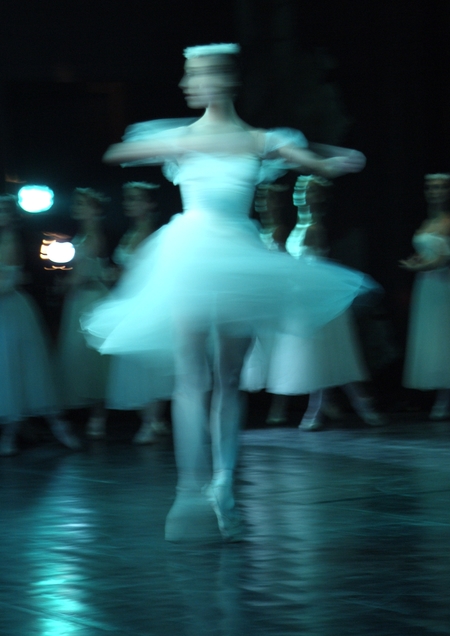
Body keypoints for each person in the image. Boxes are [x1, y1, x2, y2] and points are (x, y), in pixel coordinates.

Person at [83, 42, 375, 541]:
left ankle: (224, 485)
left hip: (238, 257)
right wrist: (174, 144)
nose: (185, 84)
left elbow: (313, 162)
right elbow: (117, 151)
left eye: (193, 75)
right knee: (193, 374)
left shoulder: (263, 138)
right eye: (186, 75)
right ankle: (189, 487)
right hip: (189, 255)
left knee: (228, 376)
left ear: (221, 79)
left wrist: (333, 156)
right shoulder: (179, 136)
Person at [261, 175, 384, 430]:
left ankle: (357, 406)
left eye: (310, 191)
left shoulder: (314, 228)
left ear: (319, 197)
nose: (304, 195)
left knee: (332, 355)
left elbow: (317, 269)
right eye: (302, 190)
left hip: (319, 302)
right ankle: (331, 408)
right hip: (307, 302)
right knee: (321, 357)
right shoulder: (301, 225)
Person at [0, 194, 80, 456]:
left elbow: (8, 283)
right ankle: (14, 434)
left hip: (11, 309)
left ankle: (55, 427)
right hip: (7, 309)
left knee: (20, 369)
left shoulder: (11, 241)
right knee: (10, 371)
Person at [105, 182, 171, 442]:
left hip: (146, 303)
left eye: (136, 199)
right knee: (137, 361)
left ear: (150, 204)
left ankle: (152, 421)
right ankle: (152, 420)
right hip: (129, 300)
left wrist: (116, 273)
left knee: (149, 361)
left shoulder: (150, 233)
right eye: (128, 199)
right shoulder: (131, 232)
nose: (129, 203)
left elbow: (145, 271)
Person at [401, 173, 450, 419]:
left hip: (443, 285)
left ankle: (445, 399)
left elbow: (443, 259)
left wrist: (417, 267)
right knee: (431, 337)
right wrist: (418, 261)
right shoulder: (428, 221)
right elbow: (430, 253)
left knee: (446, 336)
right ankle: (437, 394)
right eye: (431, 187)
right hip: (427, 286)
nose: (435, 191)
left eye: (440, 188)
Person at [57, 188, 110, 436]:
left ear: (95, 209)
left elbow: (81, 274)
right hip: (81, 299)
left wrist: (64, 284)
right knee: (82, 356)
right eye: (76, 203)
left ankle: (98, 415)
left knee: (91, 356)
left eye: (82, 204)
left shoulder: (94, 237)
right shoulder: (84, 234)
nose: (76, 207)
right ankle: (91, 411)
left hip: (90, 298)